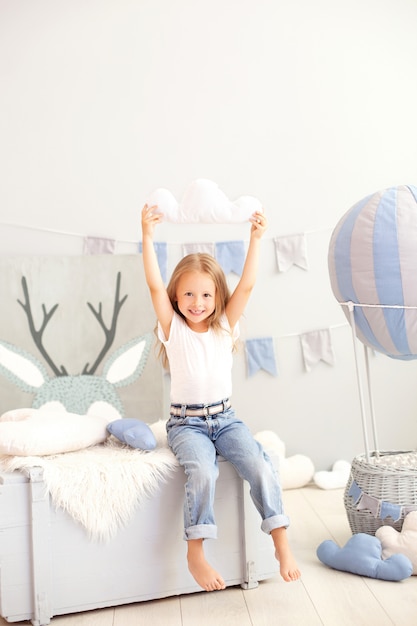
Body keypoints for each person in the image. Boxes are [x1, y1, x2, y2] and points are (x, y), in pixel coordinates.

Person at [141, 203, 301, 592]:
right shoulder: (173, 329)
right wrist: (147, 236)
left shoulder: (225, 326)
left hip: (226, 419)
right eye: (189, 294)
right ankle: (196, 551)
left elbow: (246, 285)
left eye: (207, 295)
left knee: (260, 466)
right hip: (186, 423)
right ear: (177, 297)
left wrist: (256, 238)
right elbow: (154, 286)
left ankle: (281, 540)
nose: (198, 302)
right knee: (203, 470)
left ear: (218, 297)